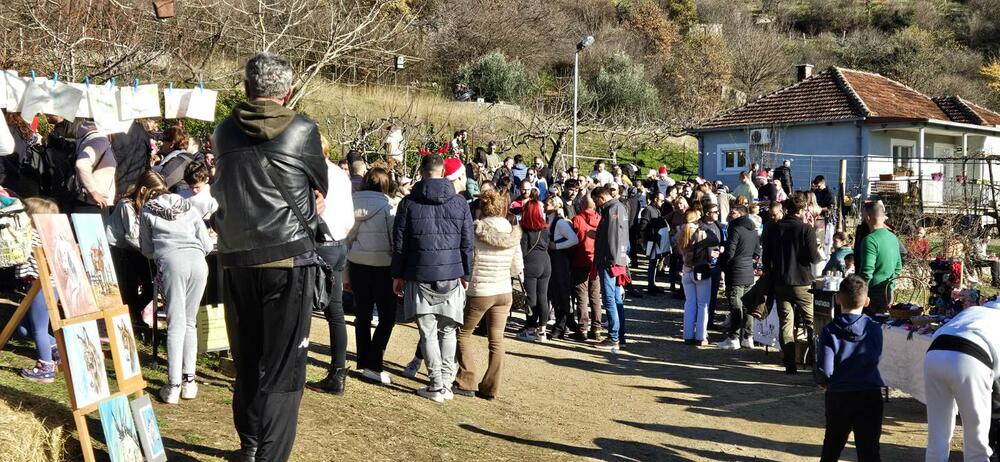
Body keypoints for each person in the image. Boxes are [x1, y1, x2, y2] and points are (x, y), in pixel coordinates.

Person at [212, 52, 329, 461]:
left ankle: (250, 446)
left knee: (246, 359)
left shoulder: (223, 132)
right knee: (284, 368)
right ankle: (270, 456)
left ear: (246, 90)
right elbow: (319, 189)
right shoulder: (302, 130)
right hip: (288, 259)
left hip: (236, 259)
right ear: (289, 92)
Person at [392, 154, 473, 404]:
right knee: (448, 330)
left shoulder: (408, 204)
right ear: (442, 172)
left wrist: (398, 274)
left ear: (423, 172)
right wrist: (467, 272)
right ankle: (445, 382)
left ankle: (437, 383)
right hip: (451, 273)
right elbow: (467, 243)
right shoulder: (460, 204)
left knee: (428, 332)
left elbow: (399, 244)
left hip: (419, 272)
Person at [139, 179, 213, 404]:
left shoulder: (147, 211)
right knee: (190, 322)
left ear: (145, 191)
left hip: (171, 263)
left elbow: (147, 249)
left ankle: (173, 386)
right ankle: (189, 382)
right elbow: (208, 245)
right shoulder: (188, 206)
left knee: (175, 324)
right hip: (199, 262)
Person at [454, 190, 523, 399]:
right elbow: (517, 266)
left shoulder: (475, 230)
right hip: (503, 290)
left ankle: (466, 379)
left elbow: (467, 259)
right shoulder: (513, 233)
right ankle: (491, 387)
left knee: (463, 333)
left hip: (480, 290)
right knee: (496, 340)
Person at [924, 293, 1000, 462]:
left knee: (937, 436)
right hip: (972, 357)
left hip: (934, 354)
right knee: (977, 443)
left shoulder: (975, 311)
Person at [306, 137, 355, 396]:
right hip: (339, 244)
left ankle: (293, 369)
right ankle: (337, 373)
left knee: (302, 306)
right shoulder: (340, 174)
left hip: (319, 243)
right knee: (335, 312)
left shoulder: (313, 173)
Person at [816, 275, 884, 462]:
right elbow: (876, 355)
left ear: (837, 298)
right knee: (869, 449)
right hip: (870, 392)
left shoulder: (829, 330)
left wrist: (824, 382)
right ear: (867, 301)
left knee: (832, 445)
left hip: (840, 394)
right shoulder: (875, 328)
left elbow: (825, 368)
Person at [344, 168, 397, 385]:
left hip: (357, 264)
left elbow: (347, 238)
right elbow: (394, 239)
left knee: (363, 314)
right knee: (387, 316)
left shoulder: (351, 203)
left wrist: (346, 275)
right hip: (383, 266)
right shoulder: (388, 207)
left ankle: (364, 359)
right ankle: (374, 362)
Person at [762, 193, 823, 374]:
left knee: (786, 324)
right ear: (803, 209)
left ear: (785, 208)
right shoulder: (806, 230)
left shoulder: (774, 228)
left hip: (781, 281)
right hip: (802, 282)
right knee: (812, 324)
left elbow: (766, 257)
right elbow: (814, 258)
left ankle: (790, 364)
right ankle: (817, 364)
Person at [16, 197, 61, 383]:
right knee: (24, 329)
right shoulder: (49, 236)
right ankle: (56, 349)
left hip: (41, 287)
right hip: (44, 287)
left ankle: (45, 369)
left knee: (39, 329)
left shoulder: (32, 236)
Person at [593, 186, 629, 352]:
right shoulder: (619, 207)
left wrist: (611, 259)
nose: (596, 205)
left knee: (610, 299)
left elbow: (613, 236)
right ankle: (619, 336)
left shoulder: (612, 209)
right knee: (616, 299)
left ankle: (614, 337)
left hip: (610, 261)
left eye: (595, 201)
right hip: (617, 259)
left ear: (601, 198)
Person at [717, 205, 759, 350]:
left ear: (740, 214)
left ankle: (733, 338)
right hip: (748, 272)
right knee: (747, 307)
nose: (729, 214)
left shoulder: (735, 229)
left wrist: (723, 262)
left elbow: (730, 252)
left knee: (736, 306)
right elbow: (756, 252)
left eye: (733, 212)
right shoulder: (753, 230)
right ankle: (748, 337)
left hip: (735, 272)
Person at [545, 195, 581, 340]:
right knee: (555, 293)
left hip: (561, 261)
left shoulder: (560, 223)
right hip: (553, 260)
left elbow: (574, 239)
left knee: (561, 293)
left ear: (555, 206)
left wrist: (557, 246)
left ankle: (560, 326)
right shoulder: (549, 221)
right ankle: (568, 322)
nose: (544, 205)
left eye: (547, 204)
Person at [517, 194, 552, 342]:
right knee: (543, 297)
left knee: (531, 297)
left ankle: (530, 329)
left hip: (531, 264)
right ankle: (542, 331)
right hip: (546, 262)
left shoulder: (525, 229)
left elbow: (523, 252)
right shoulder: (545, 228)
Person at [858, 201, 901, 313]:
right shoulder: (893, 237)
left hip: (872, 294)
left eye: (862, 215)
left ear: (868, 217)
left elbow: (867, 272)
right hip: (888, 291)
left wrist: (862, 293)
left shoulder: (870, 240)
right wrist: (891, 286)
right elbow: (898, 267)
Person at [572, 190, 603, 340]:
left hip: (580, 260)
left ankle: (582, 328)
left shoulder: (577, 219)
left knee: (582, 296)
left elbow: (574, 240)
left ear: (583, 205)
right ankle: (597, 328)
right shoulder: (601, 219)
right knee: (595, 296)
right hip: (595, 262)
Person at [678, 209, 710, 345]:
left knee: (689, 304)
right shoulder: (700, 233)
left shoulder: (681, 232)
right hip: (700, 269)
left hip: (686, 269)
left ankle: (688, 335)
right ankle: (700, 336)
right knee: (702, 304)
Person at [75, 120, 117, 211]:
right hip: (93, 204)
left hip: (91, 202)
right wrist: (93, 192)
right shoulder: (99, 139)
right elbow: (82, 164)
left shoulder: (92, 136)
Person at [700, 203, 724, 327]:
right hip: (703, 265)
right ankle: (701, 322)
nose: (718, 213)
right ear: (707, 213)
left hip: (716, 266)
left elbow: (722, 243)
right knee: (702, 296)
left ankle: (710, 321)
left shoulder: (718, 226)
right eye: (715, 211)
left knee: (713, 295)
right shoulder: (700, 226)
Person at [639, 193, 667, 294]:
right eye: (661, 200)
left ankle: (652, 284)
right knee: (652, 262)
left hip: (656, 240)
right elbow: (643, 226)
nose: (662, 202)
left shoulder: (657, 210)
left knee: (654, 262)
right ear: (655, 199)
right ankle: (650, 286)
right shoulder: (648, 210)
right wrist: (643, 241)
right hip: (650, 240)